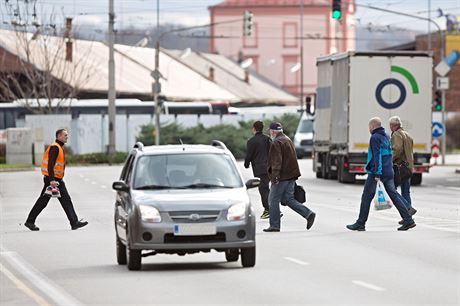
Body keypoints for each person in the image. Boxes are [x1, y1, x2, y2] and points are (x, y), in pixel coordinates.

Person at [347, 117, 416, 231]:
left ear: (373, 126)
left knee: (366, 197)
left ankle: (360, 223)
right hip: (389, 171)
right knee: (394, 195)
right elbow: (389, 155)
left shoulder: (375, 138)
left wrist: (377, 173)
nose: (369, 129)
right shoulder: (386, 136)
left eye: (369, 127)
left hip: (377, 172)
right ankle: (408, 220)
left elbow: (377, 156)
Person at [24, 129, 88, 231]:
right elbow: (50, 164)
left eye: (67, 135)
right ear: (58, 137)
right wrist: (52, 180)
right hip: (54, 181)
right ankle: (74, 222)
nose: (67, 137)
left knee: (60, 201)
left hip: (55, 180)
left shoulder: (59, 147)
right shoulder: (55, 147)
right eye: (65, 135)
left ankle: (73, 222)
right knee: (55, 201)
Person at [263, 122, 316, 232]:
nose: (270, 133)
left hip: (282, 177)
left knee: (272, 200)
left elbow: (277, 162)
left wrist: (275, 177)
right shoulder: (287, 139)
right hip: (291, 175)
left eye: (270, 131)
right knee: (288, 199)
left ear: (273, 131)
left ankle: (274, 225)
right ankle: (308, 214)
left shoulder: (276, 142)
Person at [389, 116, 417, 224]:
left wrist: (390, 160)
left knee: (392, 190)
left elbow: (397, 149)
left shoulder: (397, 134)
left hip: (400, 167)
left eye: (391, 125)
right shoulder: (407, 134)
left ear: (394, 125)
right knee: (406, 191)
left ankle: (408, 208)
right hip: (408, 167)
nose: (390, 127)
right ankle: (407, 217)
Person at [244, 121, 272, 219]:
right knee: (265, 188)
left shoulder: (251, 141)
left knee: (263, 189)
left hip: (259, 169)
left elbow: (249, 155)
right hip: (269, 168)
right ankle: (270, 209)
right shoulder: (268, 139)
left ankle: (269, 210)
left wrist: (246, 164)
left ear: (254, 129)